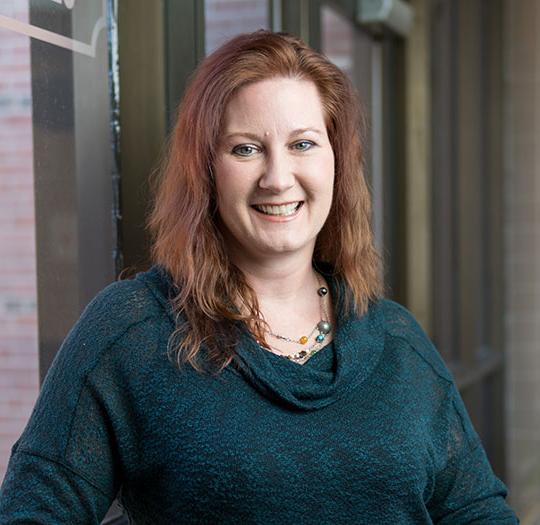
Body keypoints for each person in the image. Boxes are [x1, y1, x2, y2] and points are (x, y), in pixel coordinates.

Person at [0, 30, 518, 524]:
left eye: (304, 144)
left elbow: (477, 511)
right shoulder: (132, 331)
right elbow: (32, 511)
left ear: (337, 162)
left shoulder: (397, 339)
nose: (277, 177)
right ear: (206, 169)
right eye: (246, 148)